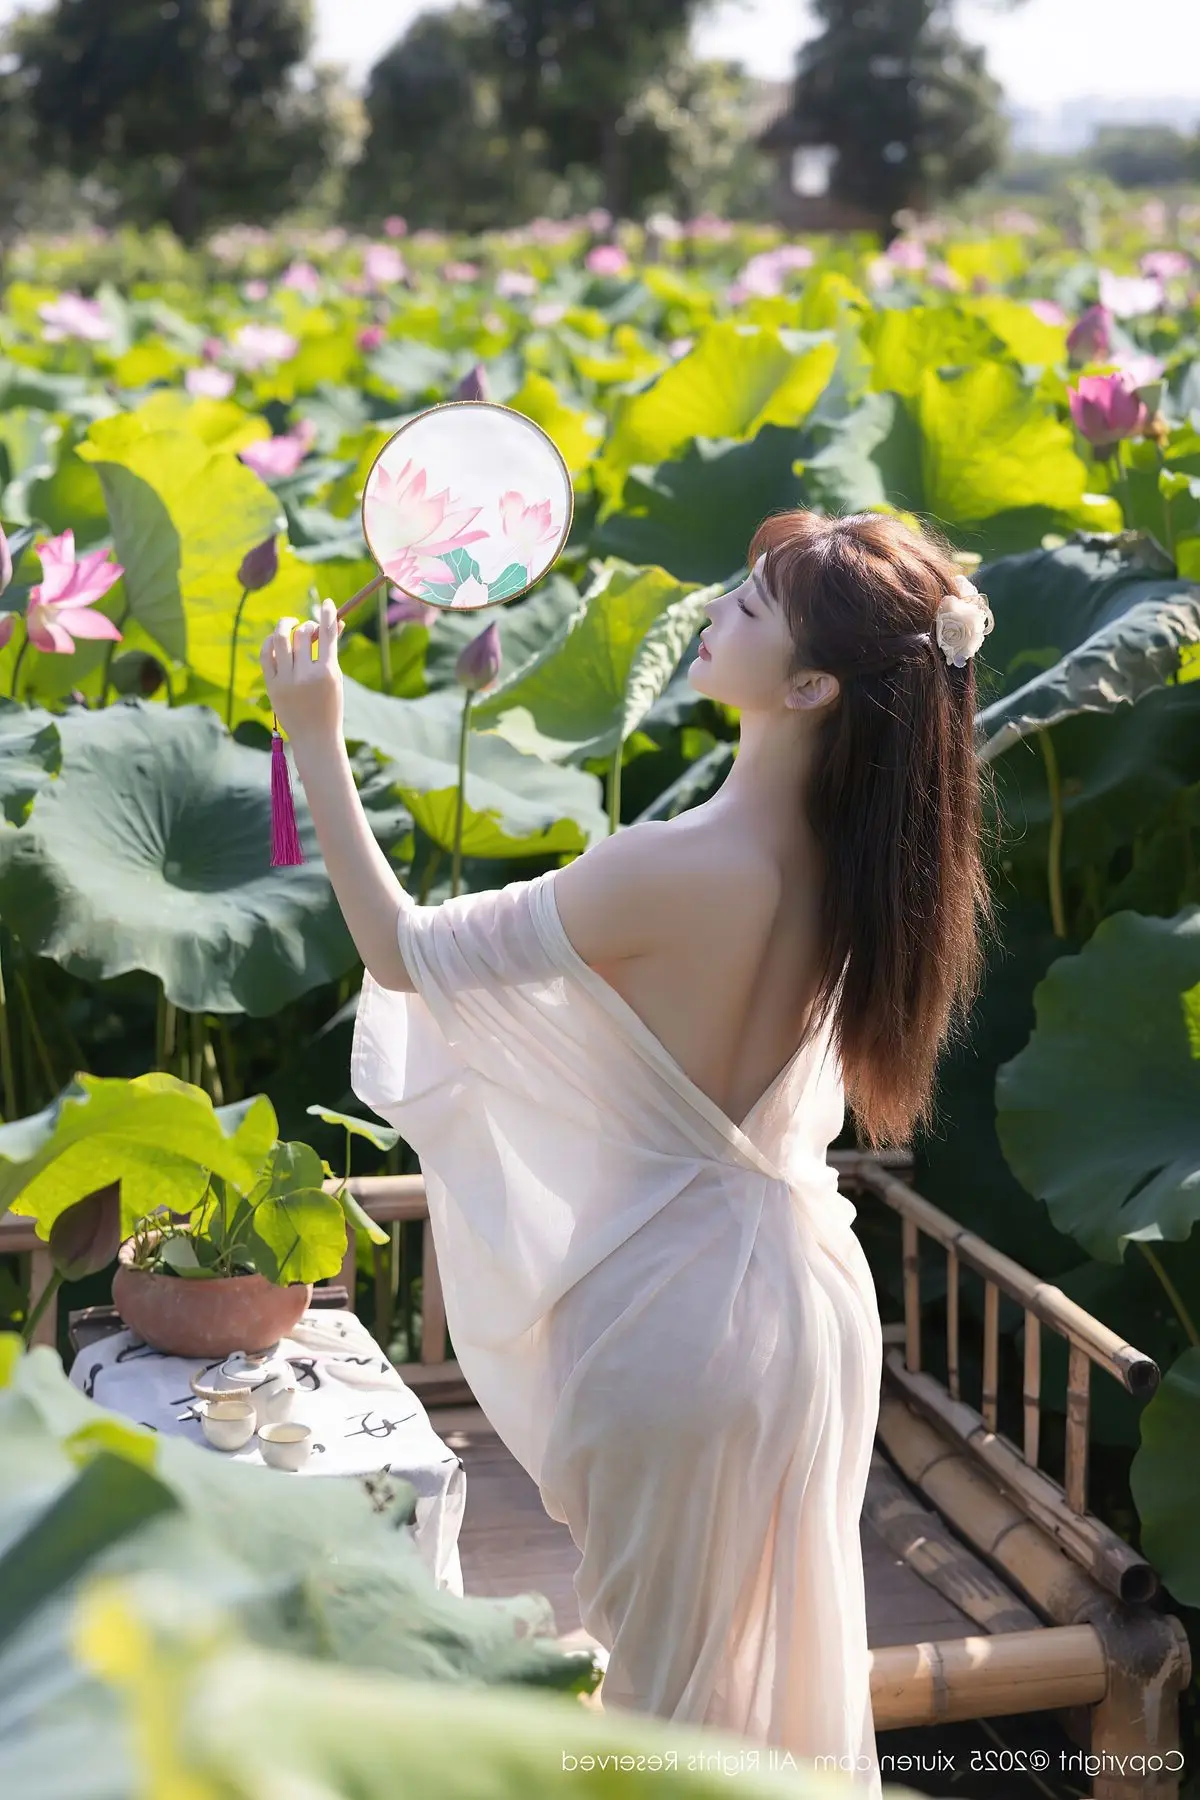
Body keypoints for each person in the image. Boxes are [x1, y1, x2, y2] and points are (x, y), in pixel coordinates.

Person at [260, 507, 996, 1793]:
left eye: (751, 608)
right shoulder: (871, 868)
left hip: (674, 1318)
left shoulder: (676, 863)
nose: (717, 611)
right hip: (809, 1314)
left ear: (811, 688)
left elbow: (402, 953)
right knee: (755, 1698)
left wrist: (316, 736)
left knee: (657, 1724)